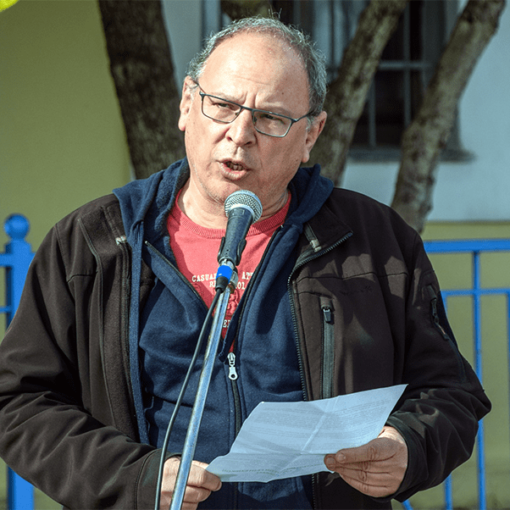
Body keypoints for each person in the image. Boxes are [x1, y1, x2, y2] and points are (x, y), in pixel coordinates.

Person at [0, 16, 490, 510]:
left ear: (311, 134)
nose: (239, 134)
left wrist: (407, 446)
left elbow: (449, 392)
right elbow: (18, 402)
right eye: (222, 106)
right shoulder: (95, 243)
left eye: (270, 117)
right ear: (187, 104)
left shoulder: (373, 242)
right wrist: (132, 479)